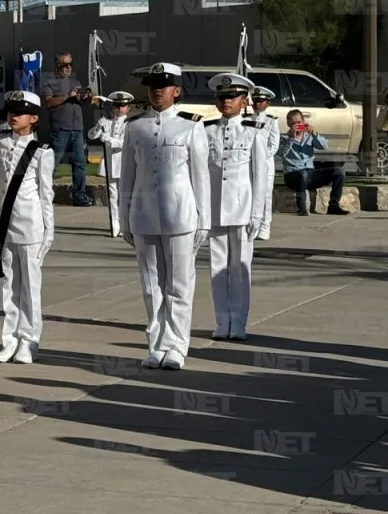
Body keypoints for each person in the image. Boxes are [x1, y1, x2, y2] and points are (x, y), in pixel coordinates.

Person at [119, 62, 210, 370]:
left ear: (177, 91)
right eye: (153, 84)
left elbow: (201, 178)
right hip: (144, 216)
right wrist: (124, 219)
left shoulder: (191, 126)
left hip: (180, 217)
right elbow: (127, 178)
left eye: (164, 84)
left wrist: (203, 220)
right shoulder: (136, 126)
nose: (157, 89)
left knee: (179, 286)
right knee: (150, 286)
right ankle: (156, 345)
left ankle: (176, 346)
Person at [0, 91, 55, 364]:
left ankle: (29, 339)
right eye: (11, 111)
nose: (14, 116)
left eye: (20, 112)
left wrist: (49, 230)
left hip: (30, 225)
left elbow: (45, 195)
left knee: (30, 287)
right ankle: (10, 338)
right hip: (4, 225)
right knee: (9, 285)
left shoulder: (41, 152)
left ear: (34, 119)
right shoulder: (0, 144)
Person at [202, 73, 270, 342]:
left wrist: (258, 214)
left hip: (242, 209)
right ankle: (222, 320)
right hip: (215, 209)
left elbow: (260, 177)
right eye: (222, 97)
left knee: (240, 268)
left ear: (244, 101)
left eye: (232, 96)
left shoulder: (254, 132)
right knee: (217, 267)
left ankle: (239, 321)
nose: (226, 101)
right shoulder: (206, 131)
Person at [40, 52, 93, 207]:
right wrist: (67, 96)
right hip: (60, 129)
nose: (68, 67)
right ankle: (44, 193)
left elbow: (81, 102)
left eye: (70, 64)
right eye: (65, 64)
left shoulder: (75, 81)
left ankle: (79, 195)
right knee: (53, 162)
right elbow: (48, 103)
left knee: (79, 163)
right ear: (57, 65)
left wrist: (86, 97)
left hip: (77, 129)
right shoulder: (49, 82)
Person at [279, 109, 348, 216]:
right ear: (288, 125)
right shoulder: (284, 139)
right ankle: (301, 208)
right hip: (293, 175)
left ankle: (333, 205)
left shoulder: (309, 137)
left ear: (304, 122)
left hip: (311, 174)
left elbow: (324, 146)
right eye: (293, 124)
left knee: (339, 171)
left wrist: (315, 134)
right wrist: (291, 139)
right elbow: (282, 153)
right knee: (303, 174)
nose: (297, 126)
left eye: (299, 123)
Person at [87, 91, 133, 238]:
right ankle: (115, 226)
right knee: (113, 197)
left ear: (128, 108)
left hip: (123, 163)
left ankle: (127, 225)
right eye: (116, 105)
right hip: (109, 164)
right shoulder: (106, 122)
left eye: (122, 106)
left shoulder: (130, 124)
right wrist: (98, 126)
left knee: (125, 196)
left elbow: (125, 143)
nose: (119, 108)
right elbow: (91, 136)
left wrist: (109, 140)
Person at [249, 86, 280, 240]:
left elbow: (273, 145)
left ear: (268, 103)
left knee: (266, 194)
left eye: (261, 101)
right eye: (255, 100)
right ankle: (252, 223)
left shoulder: (271, 121)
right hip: (248, 163)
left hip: (265, 163)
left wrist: (260, 157)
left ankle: (265, 226)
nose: (257, 104)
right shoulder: (246, 120)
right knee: (251, 193)